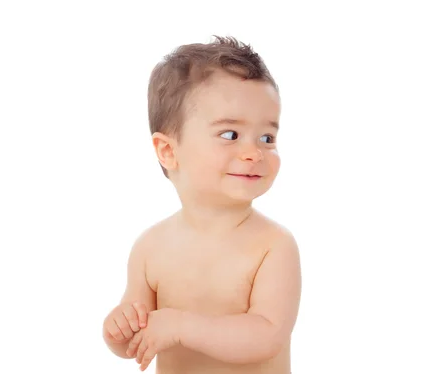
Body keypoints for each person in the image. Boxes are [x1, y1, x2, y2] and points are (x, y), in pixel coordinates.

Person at [102, 35, 302, 373]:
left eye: (267, 137)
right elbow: (136, 337)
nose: (254, 152)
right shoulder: (150, 247)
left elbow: (267, 335)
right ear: (168, 151)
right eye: (230, 135)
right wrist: (118, 331)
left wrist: (179, 326)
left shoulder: (273, 246)